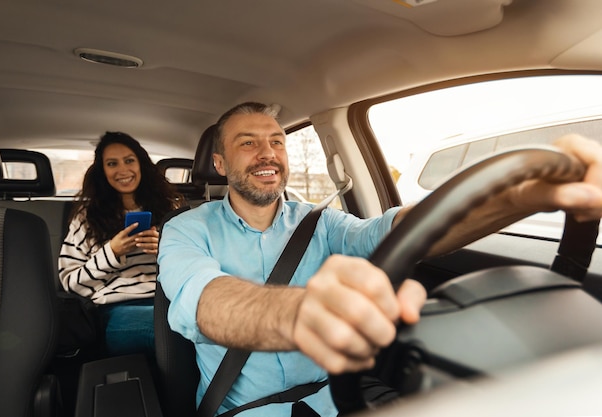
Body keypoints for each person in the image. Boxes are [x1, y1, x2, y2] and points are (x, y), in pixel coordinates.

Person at [157, 102, 602, 416]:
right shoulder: (185, 229)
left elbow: (399, 230)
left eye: (277, 141)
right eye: (248, 143)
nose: (268, 153)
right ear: (219, 163)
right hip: (244, 411)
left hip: (338, 400)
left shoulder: (320, 222)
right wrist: (301, 313)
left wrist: (520, 196)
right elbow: (204, 299)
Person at [59, 131, 185, 358]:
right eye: (112, 163)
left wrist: (166, 250)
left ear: (141, 165)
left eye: (129, 161)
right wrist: (111, 253)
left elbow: (194, 267)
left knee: (202, 322)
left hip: (172, 301)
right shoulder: (86, 218)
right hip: (118, 309)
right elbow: (70, 283)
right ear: (102, 171)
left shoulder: (171, 210)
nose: (123, 170)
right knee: (178, 331)